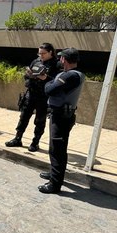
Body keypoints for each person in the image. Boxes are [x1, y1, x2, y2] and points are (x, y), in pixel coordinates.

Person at [38, 47, 85, 194]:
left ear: (64, 59)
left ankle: (55, 184)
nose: (59, 60)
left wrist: (47, 83)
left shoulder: (70, 75)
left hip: (61, 117)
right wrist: (49, 80)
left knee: (57, 150)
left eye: (61, 58)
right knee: (57, 148)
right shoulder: (72, 75)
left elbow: (49, 90)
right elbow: (55, 85)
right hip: (62, 115)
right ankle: (54, 174)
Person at [5, 43, 60, 152]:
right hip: (31, 93)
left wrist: (46, 78)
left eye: (43, 53)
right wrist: (29, 76)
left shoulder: (56, 64)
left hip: (43, 97)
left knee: (40, 121)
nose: (41, 55)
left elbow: (57, 81)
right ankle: (18, 138)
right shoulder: (36, 61)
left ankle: (35, 143)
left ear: (50, 52)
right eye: (39, 53)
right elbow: (27, 75)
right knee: (23, 117)